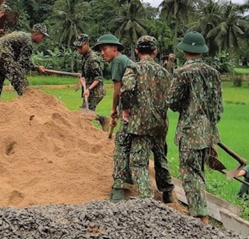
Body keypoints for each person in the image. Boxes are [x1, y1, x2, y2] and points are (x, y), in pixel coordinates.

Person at [168, 32, 223, 224]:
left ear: (184, 50)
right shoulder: (213, 73)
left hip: (190, 133)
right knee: (199, 173)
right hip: (208, 134)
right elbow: (218, 109)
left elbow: (172, 102)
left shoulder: (183, 73)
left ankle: (199, 220)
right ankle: (202, 217)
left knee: (190, 176)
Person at [119, 36, 175, 203]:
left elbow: (127, 90)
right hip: (160, 123)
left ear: (136, 51)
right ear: (155, 51)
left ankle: (146, 198)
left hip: (141, 123)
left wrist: (127, 109)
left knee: (138, 161)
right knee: (160, 156)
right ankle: (167, 192)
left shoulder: (133, 68)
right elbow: (170, 97)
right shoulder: (165, 73)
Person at [92, 34, 132, 202]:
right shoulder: (127, 60)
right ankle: (130, 176)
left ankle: (118, 191)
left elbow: (117, 89)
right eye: (100, 50)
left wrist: (113, 109)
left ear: (115, 48)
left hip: (128, 111)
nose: (102, 53)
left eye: (105, 48)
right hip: (138, 110)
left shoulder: (117, 62)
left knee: (121, 146)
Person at [0, 24, 48, 101]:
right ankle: (30, 103)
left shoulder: (22, 36)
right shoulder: (28, 42)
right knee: (22, 84)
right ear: (36, 34)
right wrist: (36, 68)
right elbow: (24, 62)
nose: (43, 39)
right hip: (4, 57)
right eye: (43, 36)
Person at [73, 33, 107, 127]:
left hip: (96, 91)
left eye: (80, 47)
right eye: (77, 47)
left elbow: (99, 77)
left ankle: (102, 121)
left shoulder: (92, 59)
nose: (78, 49)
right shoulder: (84, 56)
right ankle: (102, 120)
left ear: (87, 44)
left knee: (85, 113)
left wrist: (89, 89)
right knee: (84, 111)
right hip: (88, 88)